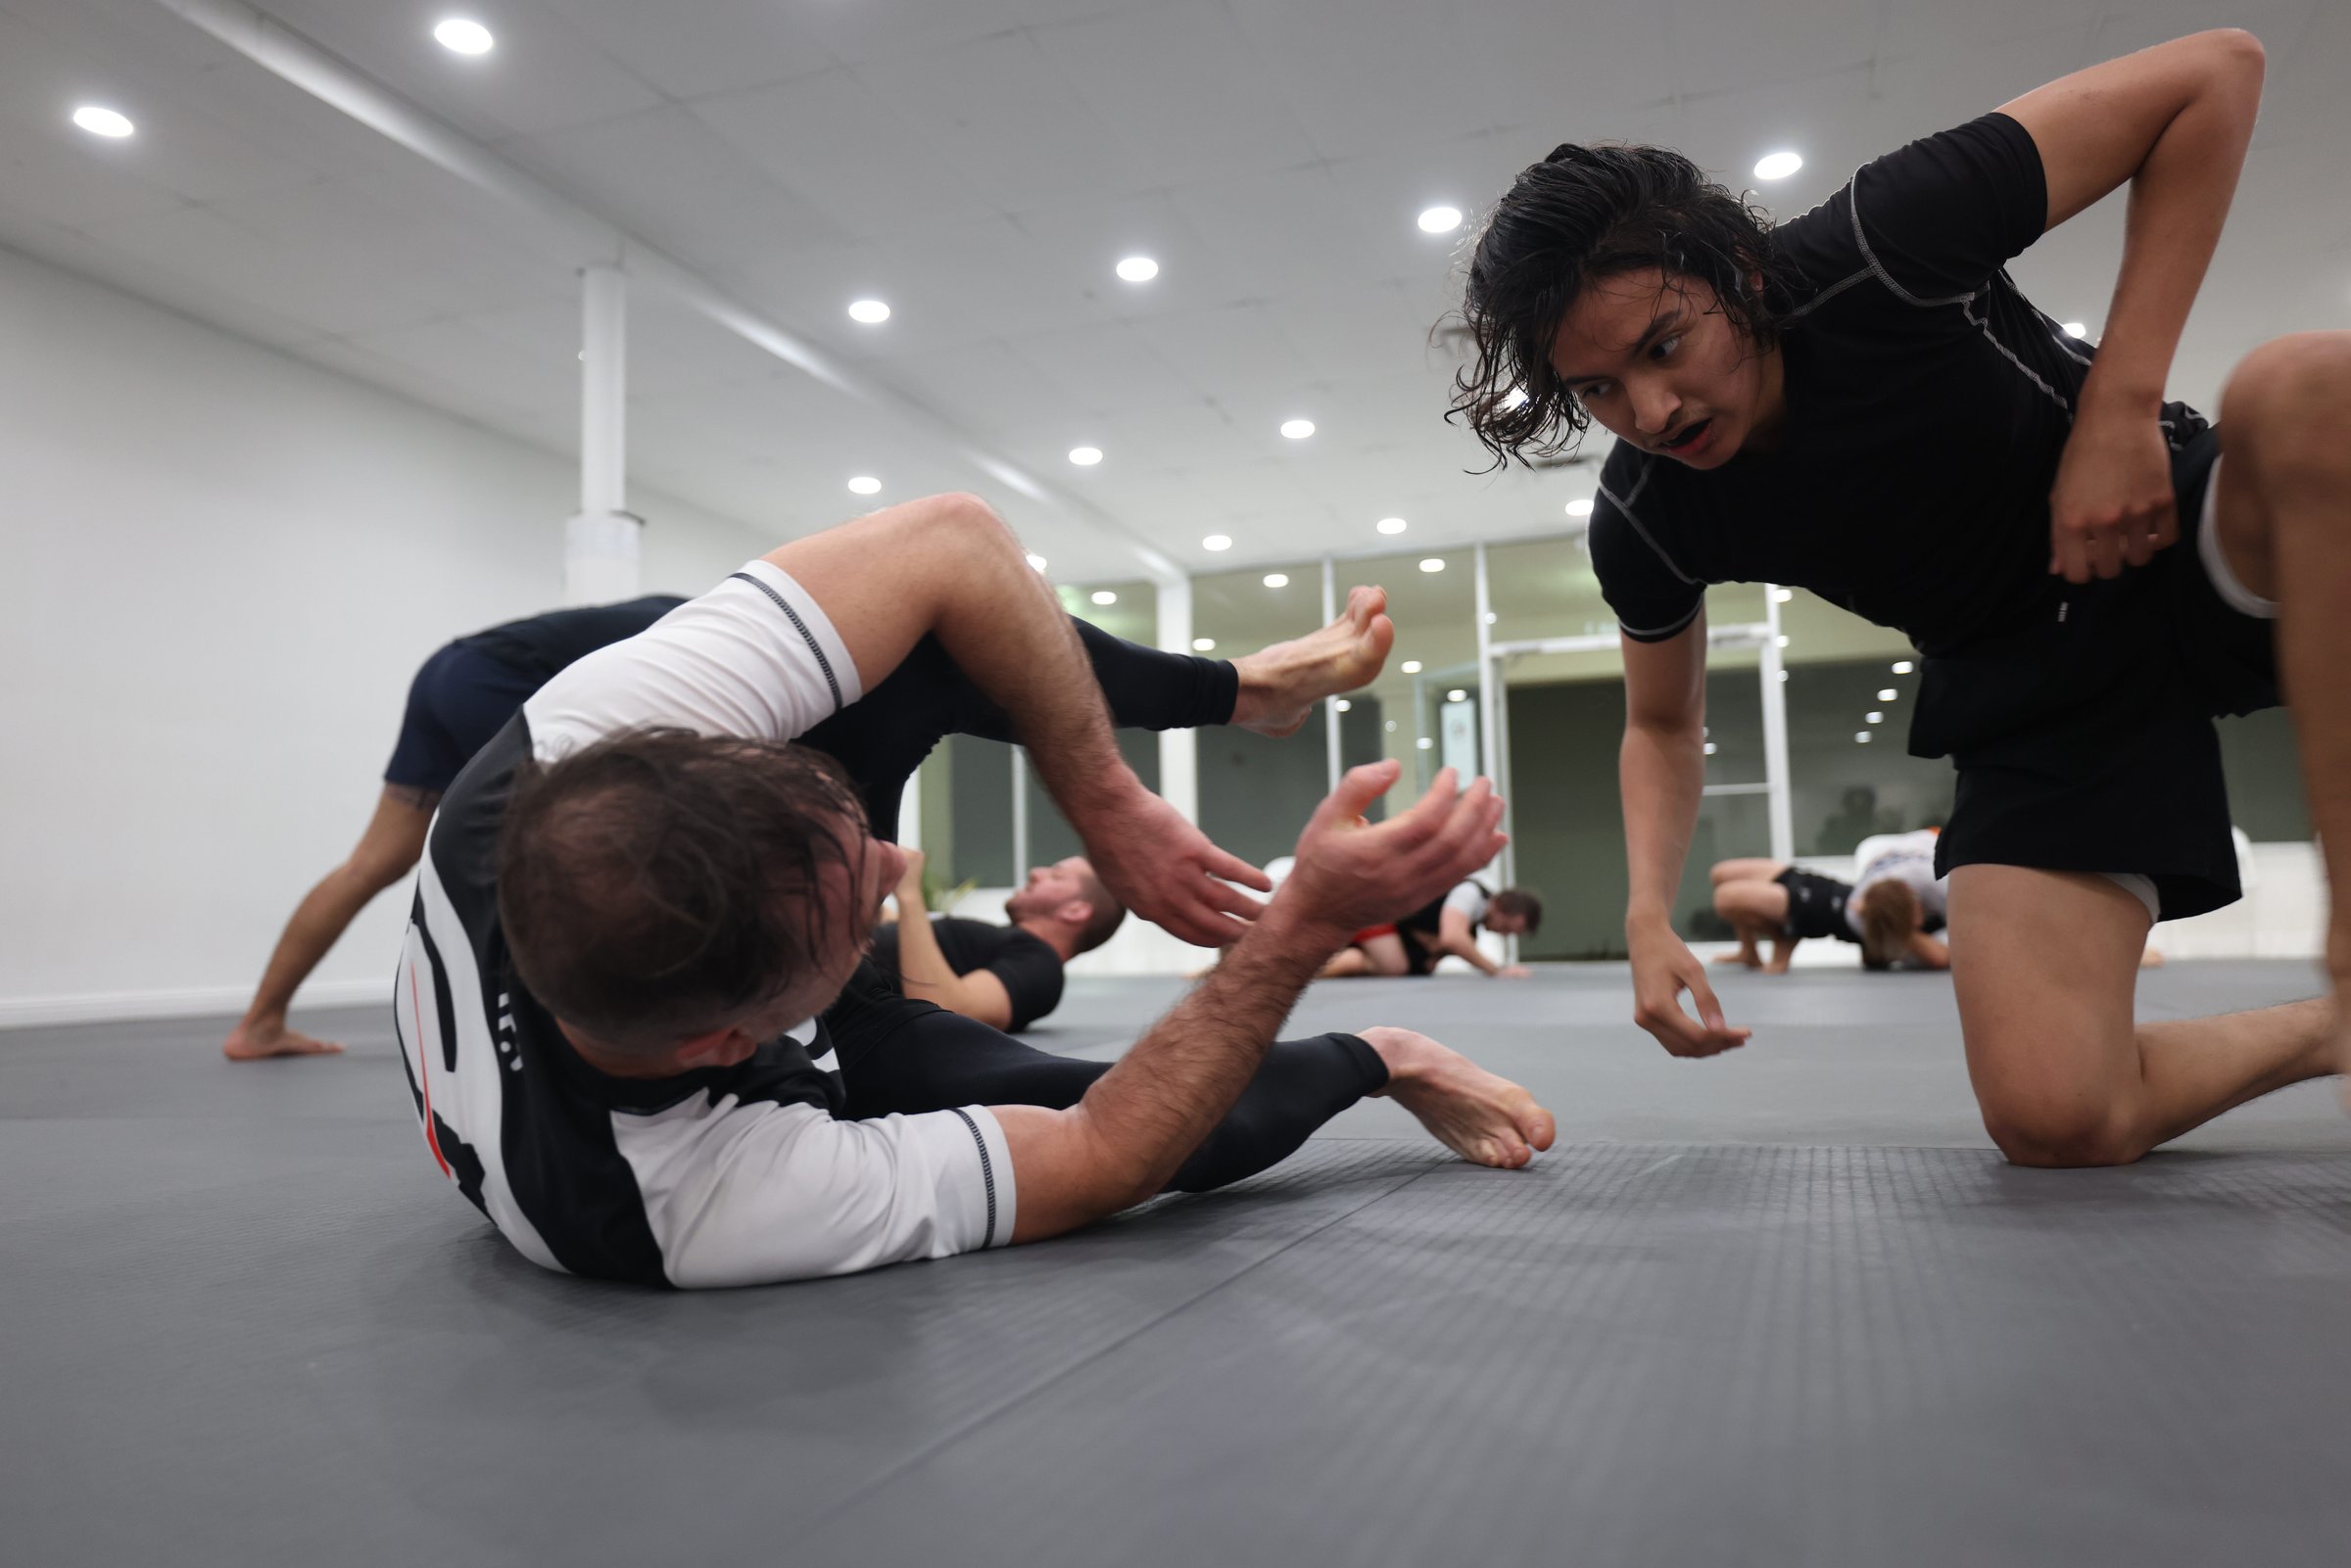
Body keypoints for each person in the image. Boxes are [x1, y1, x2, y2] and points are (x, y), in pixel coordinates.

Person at [1452, 28, 2349, 1164]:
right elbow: (1665, 721)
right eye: (1600, 390)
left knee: (2307, 390)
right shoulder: (1647, 515)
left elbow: (2217, 72)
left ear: (1741, 270)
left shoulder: (1884, 241)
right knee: (2053, 1113)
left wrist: (2120, 408)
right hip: (2031, 688)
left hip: (2165, 529)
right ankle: (2334, 1030)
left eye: (1665, 343)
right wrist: (1643, 911)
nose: (1652, 408)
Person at [397, 493, 1555, 1287]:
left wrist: (1111, 800)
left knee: (937, 632)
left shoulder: (562, 757)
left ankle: (1249, 687)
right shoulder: (698, 1202)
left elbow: (952, 541)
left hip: (682, 951)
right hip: (753, 1086)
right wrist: (1299, 929)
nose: (905, 868)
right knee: (1173, 1123)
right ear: (731, 1037)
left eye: (859, 837)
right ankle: (1393, 1052)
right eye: (866, 901)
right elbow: (1109, 1149)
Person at [222, 594, 684, 1060]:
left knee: (372, 863)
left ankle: (259, 1024)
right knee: (567, 852)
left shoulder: (690, 614)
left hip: (448, 671)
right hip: (496, 680)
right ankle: (552, 1043)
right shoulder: (713, 634)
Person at [872, 850, 1122, 1031]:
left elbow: (948, 1010)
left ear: (1076, 910)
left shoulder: (1041, 967)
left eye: (1055, 876)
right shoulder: (1003, 942)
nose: (1036, 873)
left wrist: (909, 892)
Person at [1710, 830, 1949, 973]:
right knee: (1721, 873)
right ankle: (1748, 952)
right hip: (1827, 887)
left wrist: (1901, 927)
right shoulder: (1922, 851)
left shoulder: (1940, 886)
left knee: (1726, 899)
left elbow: (1940, 958)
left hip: (1823, 908)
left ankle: (1784, 933)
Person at [1320, 880, 1543, 977]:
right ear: (1504, 907)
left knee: (1363, 963)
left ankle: (1317, 970)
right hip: (1374, 912)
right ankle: (1311, 972)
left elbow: (1436, 951)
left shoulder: (1472, 929)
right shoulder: (1470, 893)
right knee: (1394, 965)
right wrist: (1496, 971)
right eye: (1509, 927)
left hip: (1381, 923)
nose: (1505, 934)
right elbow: (1452, 938)